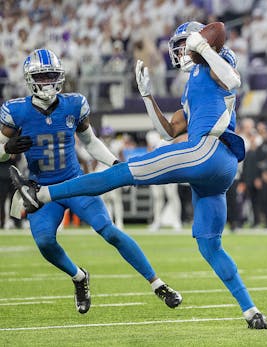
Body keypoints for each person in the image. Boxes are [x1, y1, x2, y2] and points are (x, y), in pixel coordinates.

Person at [10, 24, 267, 329]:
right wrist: (147, 97)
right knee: (209, 246)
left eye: (186, 44)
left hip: (207, 151)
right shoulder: (192, 85)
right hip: (218, 170)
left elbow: (233, 79)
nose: (182, 51)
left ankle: (40, 194)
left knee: (120, 173)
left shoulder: (216, 64)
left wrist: (205, 48)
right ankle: (251, 311)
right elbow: (169, 131)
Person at [0, 49, 181, 314]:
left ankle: (157, 284)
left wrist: (116, 165)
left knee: (109, 230)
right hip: (41, 189)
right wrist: (8, 148)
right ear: (30, 80)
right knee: (45, 242)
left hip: (75, 183)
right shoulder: (15, 111)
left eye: (53, 76)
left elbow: (91, 143)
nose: (49, 82)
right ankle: (78, 277)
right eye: (43, 76)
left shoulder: (74, 104)